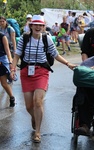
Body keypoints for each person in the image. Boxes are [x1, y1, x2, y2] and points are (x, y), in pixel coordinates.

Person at [10, 15, 76, 143]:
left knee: (38, 102)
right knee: (29, 106)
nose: (38, 27)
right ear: (31, 26)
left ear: (43, 27)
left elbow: (55, 55)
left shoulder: (47, 39)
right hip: (26, 72)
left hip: (42, 72)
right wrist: (13, 69)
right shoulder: (24, 38)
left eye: (40, 25)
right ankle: (34, 117)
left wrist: (68, 64)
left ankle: (38, 132)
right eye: (36, 25)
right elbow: (17, 55)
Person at [0, 32, 15, 107]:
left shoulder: (2, 36)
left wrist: (10, 61)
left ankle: (12, 97)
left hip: (2, 60)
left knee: (3, 83)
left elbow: (7, 50)